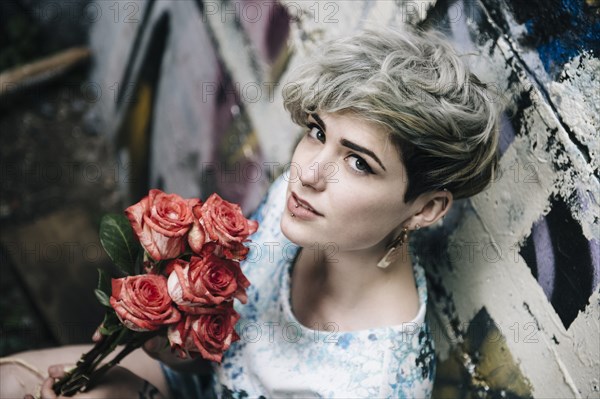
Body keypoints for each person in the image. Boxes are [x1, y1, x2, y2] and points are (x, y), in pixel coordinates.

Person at [1, 26, 499, 398]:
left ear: (425, 208)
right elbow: (221, 359)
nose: (308, 172)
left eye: (358, 162)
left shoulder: (377, 383)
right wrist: (163, 339)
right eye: (319, 132)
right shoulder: (298, 204)